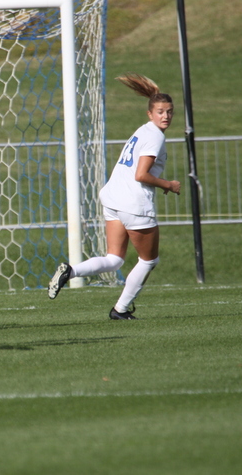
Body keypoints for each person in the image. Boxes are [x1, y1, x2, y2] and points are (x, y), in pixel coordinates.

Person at [47, 73, 181, 319]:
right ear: (150, 114)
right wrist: (169, 184)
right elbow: (141, 174)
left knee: (114, 259)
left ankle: (70, 271)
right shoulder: (155, 136)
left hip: (113, 197)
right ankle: (120, 309)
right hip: (133, 203)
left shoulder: (142, 131)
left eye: (170, 112)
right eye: (160, 112)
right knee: (148, 261)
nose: (166, 116)